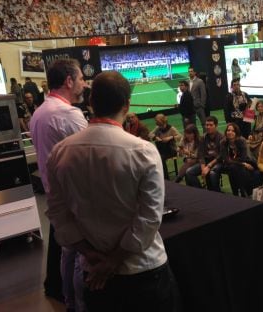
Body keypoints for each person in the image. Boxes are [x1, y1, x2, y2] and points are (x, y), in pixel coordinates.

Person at [45, 71, 180, 310]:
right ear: (127, 105)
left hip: (95, 272)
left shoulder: (60, 152)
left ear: (91, 103)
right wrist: (113, 260)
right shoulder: (143, 151)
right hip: (142, 271)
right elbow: (149, 219)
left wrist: (91, 255)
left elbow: (58, 215)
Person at [30, 59, 88, 311]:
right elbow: (92, 154)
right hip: (75, 197)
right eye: (81, 78)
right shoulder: (68, 114)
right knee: (80, 259)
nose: (84, 84)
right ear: (68, 81)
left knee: (67, 255)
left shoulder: (39, 112)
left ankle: (70, 303)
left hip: (55, 195)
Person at [185, 116, 224, 192]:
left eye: (211, 125)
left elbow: (221, 155)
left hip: (218, 162)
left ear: (216, 126)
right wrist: (203, 168)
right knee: (189, 172)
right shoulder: (203, 138)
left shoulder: (221, 137)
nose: (208, 127)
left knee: (212, 173)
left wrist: (208, 166)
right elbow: (201, 154)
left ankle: (217, 193)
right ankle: (202, 192)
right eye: (207, 125)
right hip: (206, 161)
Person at [219, 122, 258, 197]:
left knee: (234, 169)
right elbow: (226, 159)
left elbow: (243, 158)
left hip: (248, 162)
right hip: (237, 165)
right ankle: (242, 191)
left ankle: (237, 192)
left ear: (236, 133)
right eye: (228, 130)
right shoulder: (223, 142)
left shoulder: (241, 140)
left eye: (233, 131)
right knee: (233, 168)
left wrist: (242, 163)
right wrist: (243, 164)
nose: (230, 132)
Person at [149, 114, 182, 180]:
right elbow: (150, 134)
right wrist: (156, 137)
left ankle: (166, 178)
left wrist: (171, 137)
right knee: (154, 157)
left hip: (171, 149)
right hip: (162, 150)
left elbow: (180, 136)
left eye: (158, 123)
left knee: (160, 158)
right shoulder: (157, 128)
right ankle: (161, 176)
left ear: (162, 121)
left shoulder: (171, 128)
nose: (158, 125)